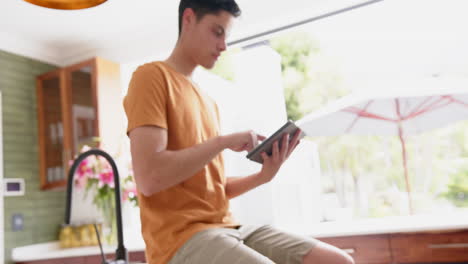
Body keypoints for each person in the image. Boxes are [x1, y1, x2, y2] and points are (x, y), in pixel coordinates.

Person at [124, 0, 355, 263]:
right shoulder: (151, 77)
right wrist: (222, 142)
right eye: (217, 31)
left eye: (226, 36)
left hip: (229, 227)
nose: (223, 46)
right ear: (188, 19)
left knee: (337, 261)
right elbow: (150, 177)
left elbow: (214, 188)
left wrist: (263, 176)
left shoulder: (208, 102)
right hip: (180, 241)